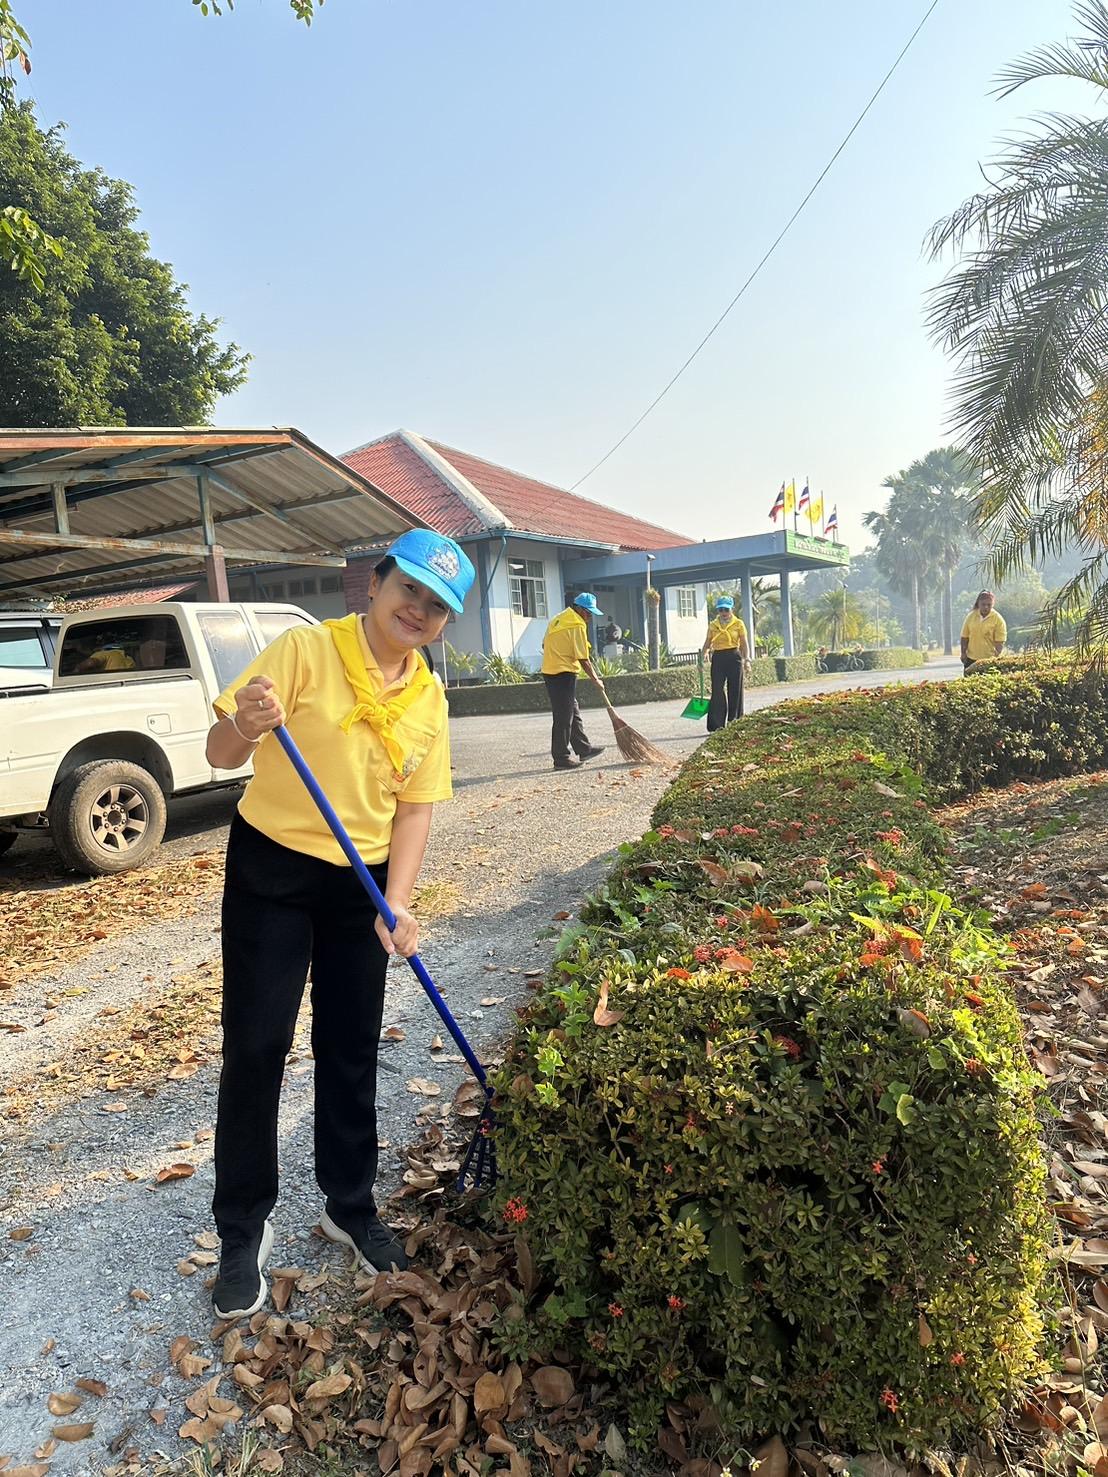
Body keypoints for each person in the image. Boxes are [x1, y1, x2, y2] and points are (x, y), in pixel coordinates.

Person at [203, 528, 475, 1321]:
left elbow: (416, 806)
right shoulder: (304, 650)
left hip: (361, 884)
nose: (417, 609)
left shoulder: (427, 696)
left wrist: (400, 901)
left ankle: (349, 1204)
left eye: (436, 605)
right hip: (272, 870)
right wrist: (250, 721)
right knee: (256, 1044)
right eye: (410, 589)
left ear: (444, 622)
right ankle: (242, 1226)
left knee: (351, 1046)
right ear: (377, 582)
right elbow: (222, 752)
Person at [540, 592, 607, 771]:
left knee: (571, 710)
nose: (589, 618)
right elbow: (583, 658)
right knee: (563, 717)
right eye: (589, 613)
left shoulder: (557, 619)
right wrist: (596, 679)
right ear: (580, 609)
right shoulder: (577, 624)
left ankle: (584, 749)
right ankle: (561, 758)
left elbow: (544, 645)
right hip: (563, 673)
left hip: (550, 672)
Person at [700, 596, 750, 731]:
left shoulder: (738, 624)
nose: (723, 612)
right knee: (717, 689)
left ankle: (734, 720)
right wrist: (703, 655)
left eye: (726, 609)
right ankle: (717, 724)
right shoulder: (713, 625)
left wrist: (747, 660)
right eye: (721, 609)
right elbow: (707, 642)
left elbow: (744, 644)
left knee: (735, 689)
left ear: (731, 609)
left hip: (734, 657)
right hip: (718, 658)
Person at [960, 590, 1006, 673]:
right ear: (978, 603)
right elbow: (964, 637)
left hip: (988, 660)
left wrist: (996, 656)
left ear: (993, 604)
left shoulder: (998, 619)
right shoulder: (971, 616)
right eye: (983, 604)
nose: (986, 607)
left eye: (989, 605)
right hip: (971, 659)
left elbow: (1000, 641)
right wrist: (963, 653)